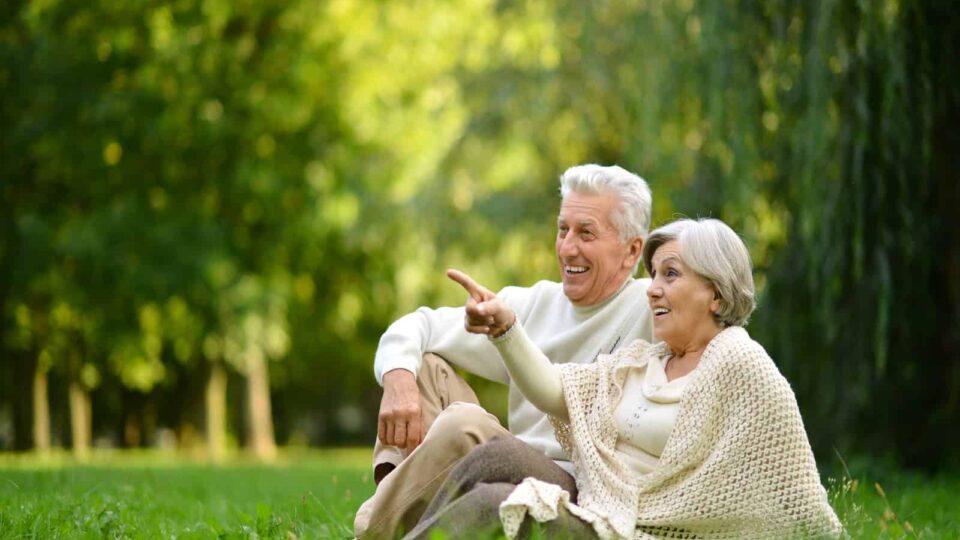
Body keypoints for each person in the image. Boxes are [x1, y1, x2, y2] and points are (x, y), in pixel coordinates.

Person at [406, 218, 842, 539]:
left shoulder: (741, 364)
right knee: (492, 458)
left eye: (670, 274)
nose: (652, 288)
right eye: (653, 274)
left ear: (717, 293)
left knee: (489, 505)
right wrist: (506, 328)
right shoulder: (642, 362)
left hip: (642, 531)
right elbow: (556, 392)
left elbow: (795, 488)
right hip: (602, 505)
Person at [354, 164, 656, 539]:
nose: (567, 247)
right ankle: (399, 517)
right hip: (503, 464)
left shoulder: (653, 308)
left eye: (586, 233)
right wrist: (397, 378)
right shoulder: (531, 303)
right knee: (422, 367)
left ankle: (370, 528)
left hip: (580, 486)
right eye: (563, 229)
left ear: (631, 251)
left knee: (463, 425)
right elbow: (418, 325)